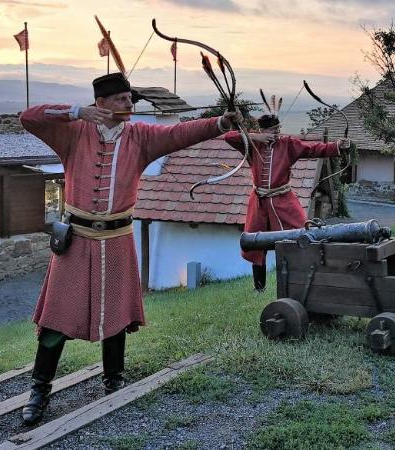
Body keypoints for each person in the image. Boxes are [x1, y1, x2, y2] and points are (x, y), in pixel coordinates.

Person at [18, 72, 241, 425]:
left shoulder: (141, 135)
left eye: (130, 99)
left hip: (117, 238)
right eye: (122, 99)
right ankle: (39, 390)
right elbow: (28, 117)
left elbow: (178, 133)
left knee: (117, 315)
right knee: (56, 319)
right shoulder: (73, 131)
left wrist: (218, 123)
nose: (130, 105)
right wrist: (77, 111)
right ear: (101, 103)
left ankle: (113, 379)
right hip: (77, 239)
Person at [224, 98, 350, 291]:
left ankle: (303, 282)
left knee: (302, 236)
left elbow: (313, 149)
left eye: (277, 129)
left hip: (284, 200)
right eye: (272, 130)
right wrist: (254, 138)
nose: (276, 133)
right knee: (256, 246)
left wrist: (336, 146)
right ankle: (259, 288)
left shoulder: (287, 144)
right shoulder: (252, 145)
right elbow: (229, 137)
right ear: (262, 132)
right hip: (258, 202)